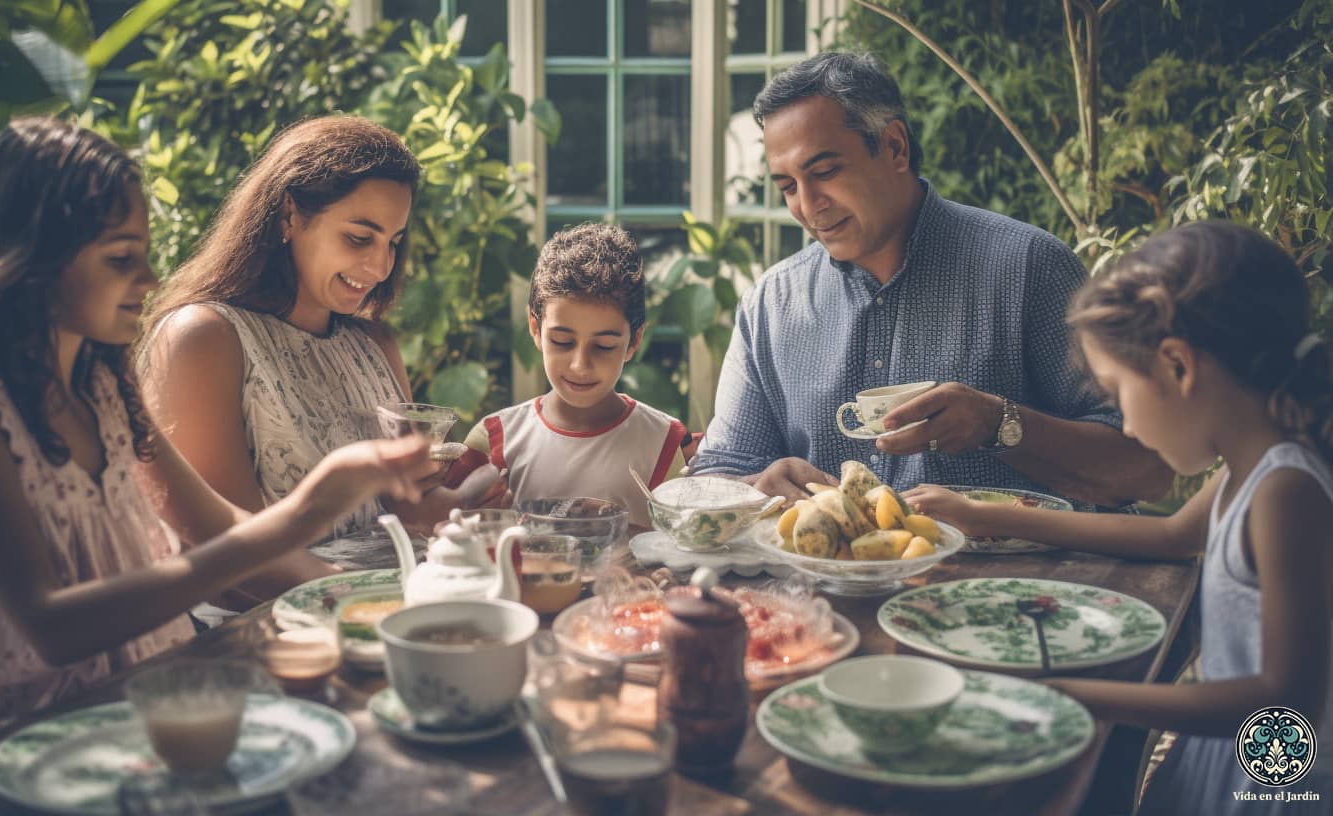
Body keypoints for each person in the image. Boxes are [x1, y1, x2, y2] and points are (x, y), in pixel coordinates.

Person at [0, 117, 433, 748]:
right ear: (34, 259)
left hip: (145, 696)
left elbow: (217, 526)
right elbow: (54, 627)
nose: (146, 280)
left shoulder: (105, 388)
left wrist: (370, 579)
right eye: (121, 258)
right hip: (15, 736)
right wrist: (311, 513)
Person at [905, 222, 1333, 812]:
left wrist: (1078, 696)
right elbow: (1170, 534)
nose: (1126, 428)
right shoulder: (1251, 468)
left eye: (1118, 393)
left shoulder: (1286, 490)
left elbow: (1285, 699)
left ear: (1178, 366)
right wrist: (982, 515)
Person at [690, 51, 1171, 505]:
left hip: (1005, 588)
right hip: (819, 593)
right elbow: (712, 480)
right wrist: (756, 488)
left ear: (895, 147)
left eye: (826, 171)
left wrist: (1000, 425)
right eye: (788, 186)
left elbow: (1146, 469)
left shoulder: (1029, 268)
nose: (807, 205)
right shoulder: (771, 305)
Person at [140, 115, 505, 592]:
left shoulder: (374, 345)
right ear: (290, 215)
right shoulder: (203, 339)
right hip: (266, 628)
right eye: (359, 237)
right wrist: (357, 598)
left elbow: (408, 512)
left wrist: (477, 505)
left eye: (393, 242)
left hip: (389, 603)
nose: (379, 266)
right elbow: (226, 550)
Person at [447, 223, 689, 527]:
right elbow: (456, 534)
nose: (580, 365)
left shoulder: (660, 442)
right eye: (562, 342)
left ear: (634, 341)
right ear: (535, 329)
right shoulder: (497, 439)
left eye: (603, 346)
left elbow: (676, 546)